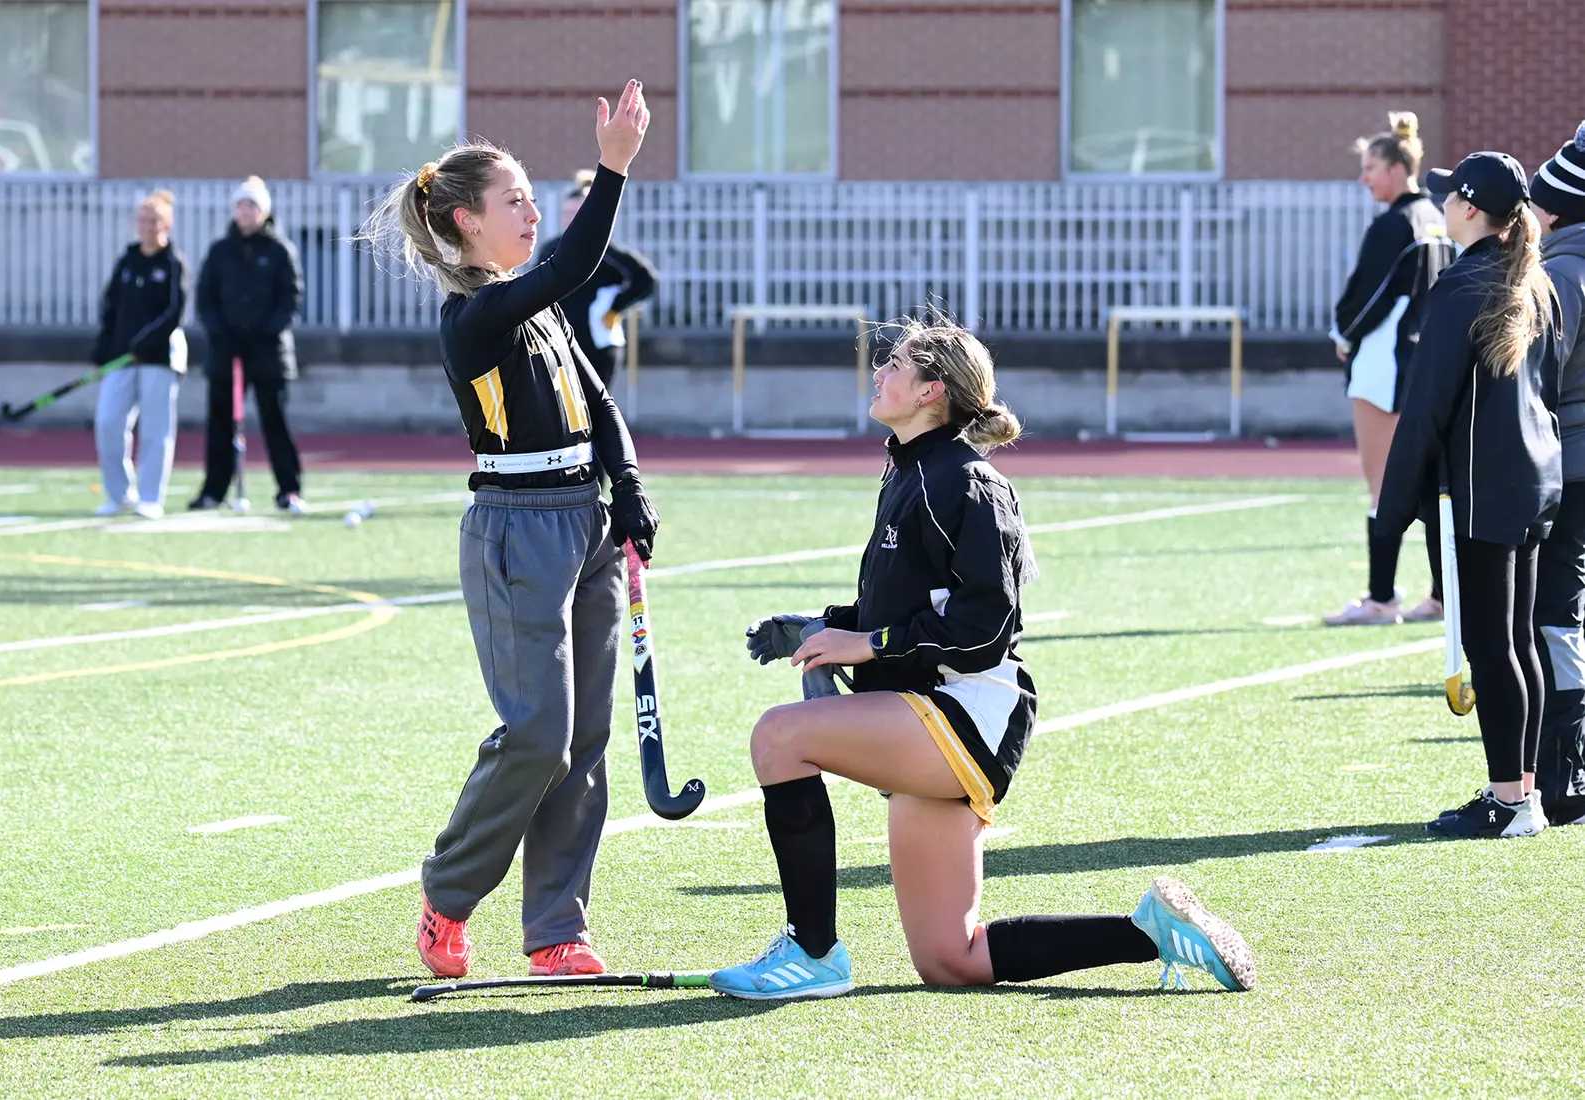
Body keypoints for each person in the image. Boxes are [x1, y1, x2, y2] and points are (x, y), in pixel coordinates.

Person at [708, 316, 1256, 1000]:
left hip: (967, 710)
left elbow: (985, 626)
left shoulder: (968, 483)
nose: (879, 373)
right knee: (951, 961)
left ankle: (811, 952)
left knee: (779, 737)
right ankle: (1153, 931)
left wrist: (867, 644)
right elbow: (905, 609)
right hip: (928, 711)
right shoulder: (908, 471)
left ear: (932, 391)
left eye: (896, 365)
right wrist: (821, 625)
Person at [363, 81, 660, 979]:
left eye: (534, 196)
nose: (532, 211)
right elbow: (570, 269)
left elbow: (597, 402)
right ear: (463, 222)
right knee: (538, 733)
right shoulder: (477, 316)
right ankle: (448, 894)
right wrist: (613, 170)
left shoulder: (534, 306)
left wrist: (630, 487)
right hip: (517, 529)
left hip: (587, 524)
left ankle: (557, 930)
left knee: (586, 741)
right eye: (515, 200)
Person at [1377, 151, 1562, 839]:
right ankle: (1527, 794)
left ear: (1469, 208)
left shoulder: (1463, 286)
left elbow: (1426, 408)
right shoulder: (1531, 281)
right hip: (1536, 477)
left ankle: (1508, 800)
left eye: (1449, 200)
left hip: (1485, 487)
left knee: (1493, 644)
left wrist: (1391, 513)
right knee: (1519, 640)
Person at [1325, 112, 1455, 626]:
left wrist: (1343, 334)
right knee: (1431, 487)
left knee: (1383, 486)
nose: (1364, 178)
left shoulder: (1395, 223)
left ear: (1399, 168)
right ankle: (1442, 596)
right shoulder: (1442, 218)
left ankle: (1381, 600)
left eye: (1371, 167)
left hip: (1385, 367)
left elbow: (1367, 296)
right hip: (1430, 369)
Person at [1527, 124, 1585, 828]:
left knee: (1552, 613)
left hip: (1568, 461)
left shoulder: (1566, 267)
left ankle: (1563, 767)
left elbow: (1538, 374)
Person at [189, 176, 308, 514]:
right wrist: (221, 332)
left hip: (269, 352)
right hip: (226, 352)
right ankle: (214, 490)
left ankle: (288, 489)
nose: (246, 212)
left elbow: (290, 297)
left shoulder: (280, 250)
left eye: (252, 206)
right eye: (241, 206)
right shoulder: (219, 251)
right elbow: (205, 299)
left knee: (276, 421)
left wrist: (265, 332)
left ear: (263, 211)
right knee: (220, 423)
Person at [90, 190, 191, 520]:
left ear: (167, 224)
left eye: (154, 220)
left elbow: (174, 312)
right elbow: (110, 308)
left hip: (159, 358)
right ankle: (119, 494)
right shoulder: (127, 260)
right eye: (143, 220)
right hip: (121, 358)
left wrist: (144, 343)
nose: (147, 227)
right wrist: (103, 351)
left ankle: (151, 498)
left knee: (155, 429)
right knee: (108, 421)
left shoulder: (174, 263)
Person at [532, 169, 658, 391]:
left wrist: (615, 306)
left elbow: (646, 280)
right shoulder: (551, 249)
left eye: (576, 212)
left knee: (596, 410)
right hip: (559, 343)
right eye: (566, 212)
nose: (570, 218)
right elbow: (535, 290)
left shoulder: (606, 252)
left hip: (598, 342)